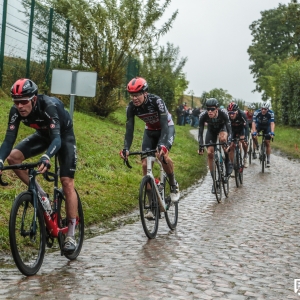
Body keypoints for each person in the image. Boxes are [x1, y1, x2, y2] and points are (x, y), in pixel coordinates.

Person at [0, 78, 78, 253]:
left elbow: (56, 139)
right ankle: (41, 195)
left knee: (66, 182)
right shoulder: (15, 111)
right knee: (13, 158)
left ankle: (71, 234)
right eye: (16, 102)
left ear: (34, 99)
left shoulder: (48, 106)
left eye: (23, 102)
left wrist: (47, 156)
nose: (20, 106)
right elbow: (8, 141)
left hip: (63, 137)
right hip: (42, 136)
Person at [120, 77, 180, 208]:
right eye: (132, 95)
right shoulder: (131, 107)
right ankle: (152, 204)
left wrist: (163, 145)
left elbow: (164, 124)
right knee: (144, 165)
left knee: (161, 155)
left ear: (145, 93)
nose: (134, 98)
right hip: (150, 131)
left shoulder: (157, 101)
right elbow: (129, 129)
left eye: (137, 95)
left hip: (166, 128)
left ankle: (173, 184)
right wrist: (126, 148)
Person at [198, 98, 232, 194]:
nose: (210, 111)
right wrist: (200, 146)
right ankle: (214, 181)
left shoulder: (223, 113)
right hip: (211, 131)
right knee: (209, 153)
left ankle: (227, 162)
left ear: (217, 109)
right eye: (208, 109)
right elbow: (200, 133)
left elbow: (230, 130)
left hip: (222, 128)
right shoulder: (203, 116)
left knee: (223, 139)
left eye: (212, 109)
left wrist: (228, 143)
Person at [252, 102, 275, 167]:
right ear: (260, 108)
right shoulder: (256, 112)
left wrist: (272, 132)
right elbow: (253, 123)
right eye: (262, 109)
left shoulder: (271, 113)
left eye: (265, 109)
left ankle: (268, 159)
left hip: (267, 127)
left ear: (267, 109)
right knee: (253, 136)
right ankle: (256, 146)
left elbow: (272, 123)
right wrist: (254, 132)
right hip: (259, 125)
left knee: (267, 142)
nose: (263, 110)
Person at [227, 102, 249, 168]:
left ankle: (245, 155)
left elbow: (246, 127)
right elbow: (226, 128)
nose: (231, 115)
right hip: (232, 130)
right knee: (231, 146)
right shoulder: (227, 116)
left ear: (237, 112)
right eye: (230, 113)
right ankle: (233, 165)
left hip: (241, 129)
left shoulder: (242, 114)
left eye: (233, 113)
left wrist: (246, 137)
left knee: (243, 141)